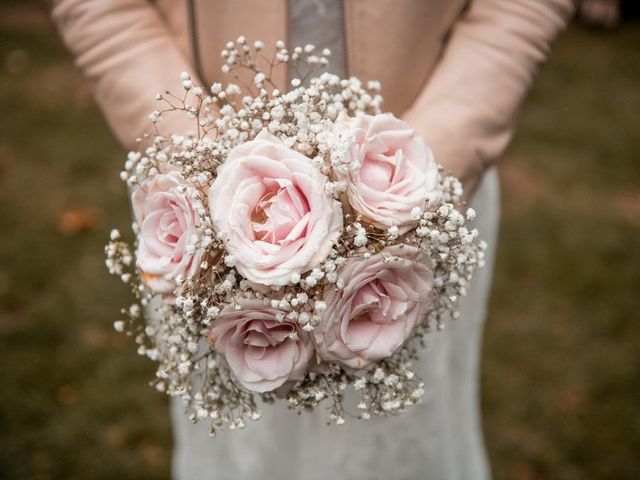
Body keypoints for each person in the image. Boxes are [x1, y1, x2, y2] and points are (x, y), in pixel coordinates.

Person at [52, 1, 575, 478]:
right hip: (201, 223)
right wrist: (207, 179)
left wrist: (426, 173)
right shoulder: (201, 209)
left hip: (417, 194)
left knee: (414, 437)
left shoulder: (423, 198)